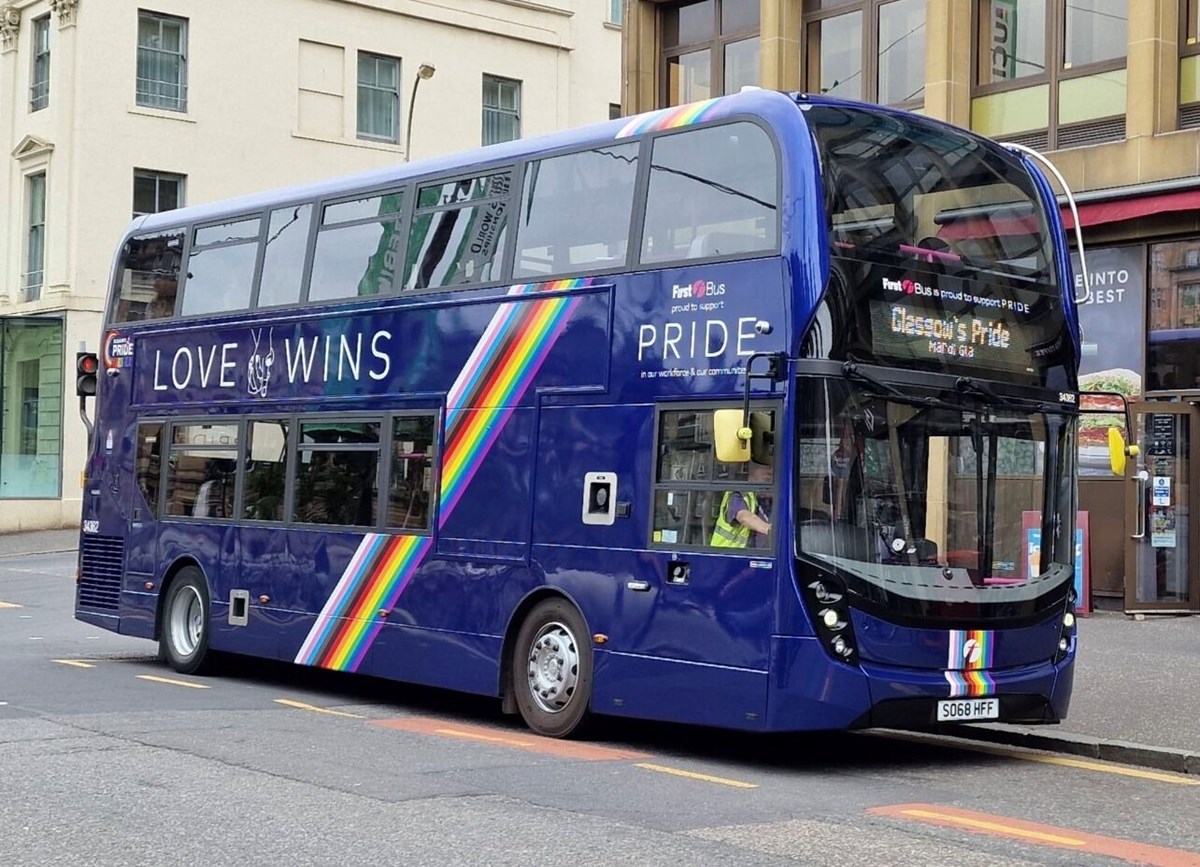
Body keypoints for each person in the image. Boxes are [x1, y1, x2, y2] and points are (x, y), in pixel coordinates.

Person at [710, 461, 773, 548]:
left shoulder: (764, 499)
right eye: (766, 480)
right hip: (727, 557)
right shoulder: (737, 494)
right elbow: (744, 517)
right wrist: (769, 530)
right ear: (752, 475)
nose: (770, 472)